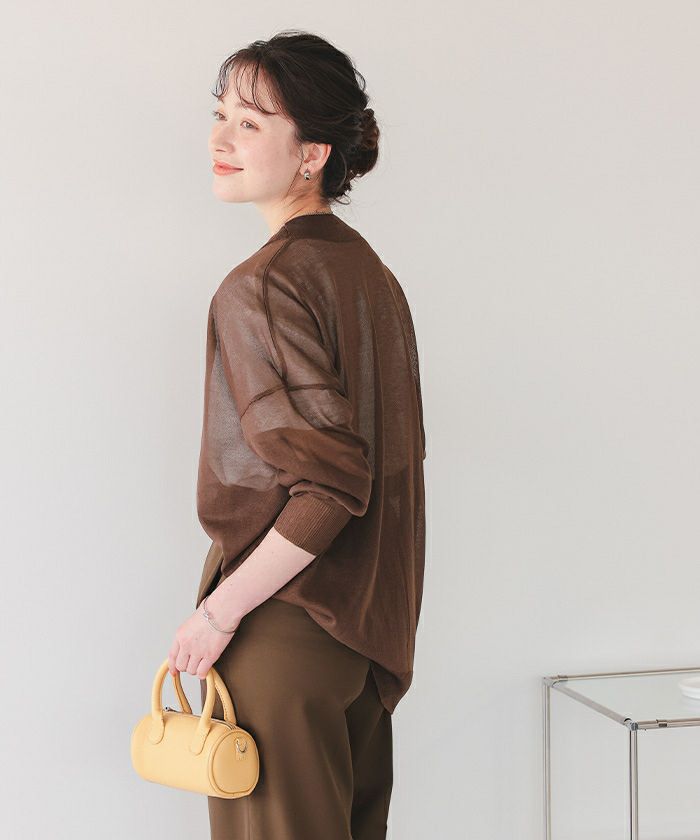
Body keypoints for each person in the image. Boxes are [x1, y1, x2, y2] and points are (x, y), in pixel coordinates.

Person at [166, 30, 426, 840]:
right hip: (363, 641)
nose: (221, 139)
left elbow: (332, 487)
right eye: (220, 116)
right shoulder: (369, 276)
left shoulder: (263, 285)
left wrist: (217, 615)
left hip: (285, 626)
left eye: (250, 123)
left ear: (312, 153)